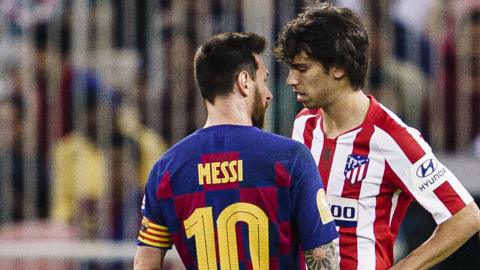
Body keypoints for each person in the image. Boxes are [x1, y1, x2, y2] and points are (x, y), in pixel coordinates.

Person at [273, 3, 480, 270]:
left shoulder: (391, 137)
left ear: (337, 68)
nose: (291, 79)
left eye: (302, 68)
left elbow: (466, 216)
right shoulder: (304, 124)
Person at [134, 32, 339, 270]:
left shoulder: (166, 170)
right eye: (263, 81)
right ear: (243, 81)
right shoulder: (291, 158)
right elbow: (323, 258)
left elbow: (145, 263)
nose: (269, 93)